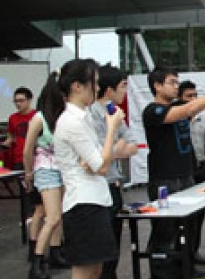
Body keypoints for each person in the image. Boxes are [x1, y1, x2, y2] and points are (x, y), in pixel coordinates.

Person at [143, 68, 205, 279]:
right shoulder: (153, 111)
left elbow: (194, 106)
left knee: (187, 228)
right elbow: (189, 109)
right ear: (157, 86)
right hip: (165, 179)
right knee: (164, 231)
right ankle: (162, 274)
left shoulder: (178, 106)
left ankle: (184, 267)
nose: (176, 86)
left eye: (177, 82)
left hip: (186, 176)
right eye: (171, 82)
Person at [52, 59, 124, 279]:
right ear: (77, 86)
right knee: (85, 270)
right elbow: (101, 165)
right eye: (94, 82)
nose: (98, 88)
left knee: (96, 269)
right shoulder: (71, 121)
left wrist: (99, 158)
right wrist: (112, 128)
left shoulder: (83, 118)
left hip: (95, 200)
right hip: (83, 203)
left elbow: (95, 162)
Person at [87, 64, 138, 279]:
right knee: (102, 249)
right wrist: (116, 147)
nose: (124, 92)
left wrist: (115, 148)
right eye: (122, 87)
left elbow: (133, 145)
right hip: (98, 187)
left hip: (115, 185)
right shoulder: (91, 114)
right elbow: (100, 154)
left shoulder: (114, 112)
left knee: (115, 245)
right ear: (108, 89)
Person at [23, 72, 72, 279]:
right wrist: (28, 173)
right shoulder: (39, 118)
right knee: (50, 217)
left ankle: (55, 254)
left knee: (58, 216)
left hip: (61, 168)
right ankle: (37, 261)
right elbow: (27, 150)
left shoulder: (63, 116)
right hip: (45, 169)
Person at [177, 80, 205, 265]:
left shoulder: (203, 121)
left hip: (201, 169)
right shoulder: (176, 120)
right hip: (184, 171)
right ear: (179, 99)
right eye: (188, 96)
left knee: (199, 214)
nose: (193, 99)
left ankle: (194, 250)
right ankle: (181, 254)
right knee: (184, 215)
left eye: (195, 96)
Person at [3, 87, 44, 261]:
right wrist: (4, 145)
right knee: (27, 196)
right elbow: (11, 137)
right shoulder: (12, 119)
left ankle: (37, 231)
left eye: (21, 100)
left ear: (29, 100)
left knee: (39, 200)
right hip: (20, 160)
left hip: (37, 160)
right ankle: (30, 223)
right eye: (16, 101)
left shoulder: (37, 116)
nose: (19, 104)